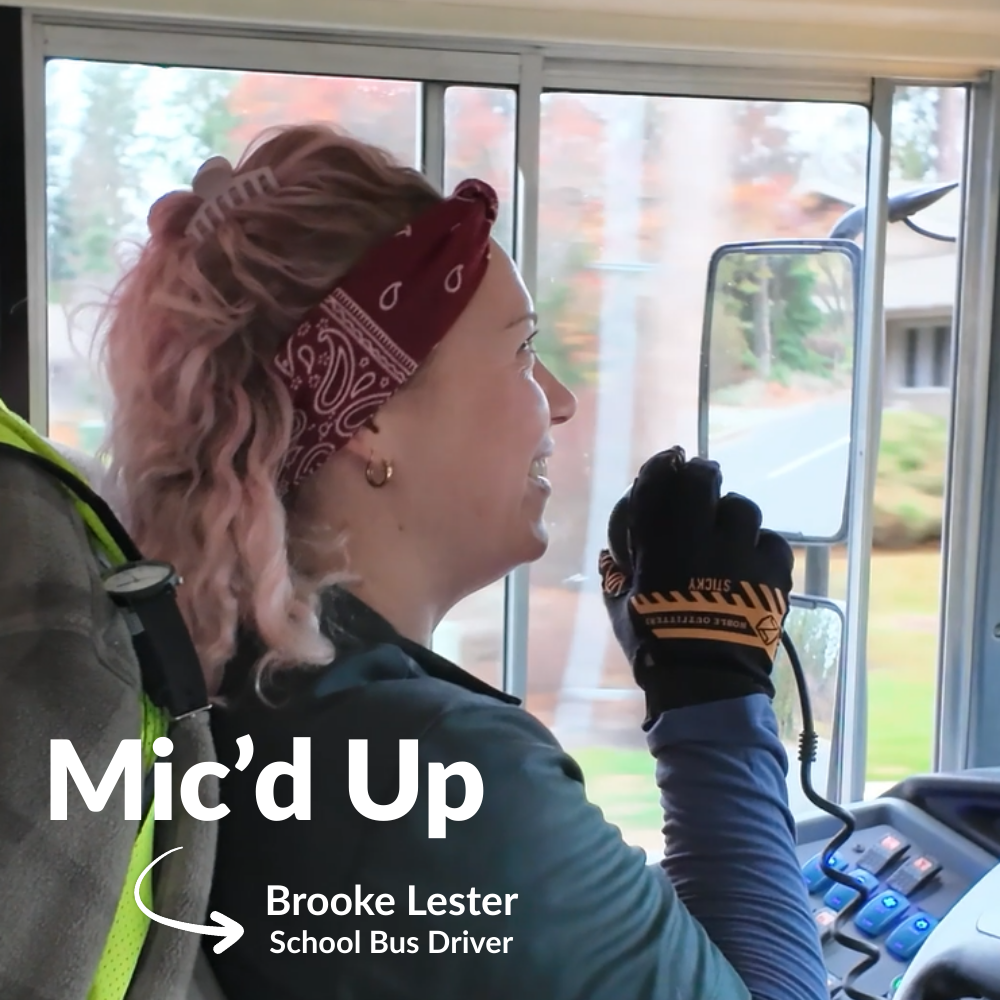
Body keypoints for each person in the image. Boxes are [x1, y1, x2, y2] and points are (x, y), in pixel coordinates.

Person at [101, 123, 827, 1000]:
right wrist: (715, 696)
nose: (558, 401)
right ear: (369, 418)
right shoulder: (443, 770)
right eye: (522, 350)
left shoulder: (240, 682)